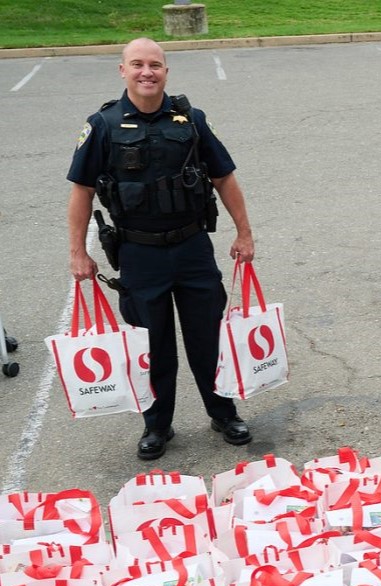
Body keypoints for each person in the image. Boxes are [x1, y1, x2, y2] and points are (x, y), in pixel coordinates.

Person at [67, 37, 255, 460]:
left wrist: (244, 233)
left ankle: (223, 413)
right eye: (137, 64)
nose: (146, 72)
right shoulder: (102, 125)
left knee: (208, 339)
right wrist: (78, 252)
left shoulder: (191, 120)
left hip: (192, 248)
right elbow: (81, 190)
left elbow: (225, 178)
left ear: (166, 71)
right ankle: (157, 425)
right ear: (123, 71)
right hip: (139, 254)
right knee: (152, 347)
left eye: (155, 64)